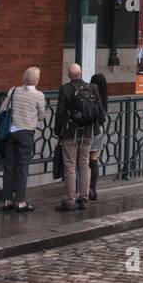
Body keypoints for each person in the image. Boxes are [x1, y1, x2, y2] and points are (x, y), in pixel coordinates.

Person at [54, 63, 104, 211]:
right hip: (88, 132)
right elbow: (100, 112)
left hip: (71, 133)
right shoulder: (93, 88)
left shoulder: (65, 89)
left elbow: (60, 113)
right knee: (84, 164)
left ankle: (69, 200)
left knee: (70, 166)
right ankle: (84, 198)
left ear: (69, 75)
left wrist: (58, 132)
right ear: (81, 74)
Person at [0, 67, 45, 212]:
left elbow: (3, 109)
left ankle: (6, 200)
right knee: (22, 166)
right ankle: (20, 201)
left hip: (11, 132)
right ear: (36, 80)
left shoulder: (14, 90)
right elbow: (41, 116)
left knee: (9, 165)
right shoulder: (39, 95)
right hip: (26, 133)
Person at [88, 72, 109, 201]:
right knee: (94, 158)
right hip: (98, 130)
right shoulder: (105, 97)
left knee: (84, 160)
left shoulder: (90, 95)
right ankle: (93, 188)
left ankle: (84, 189)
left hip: (88, 130)